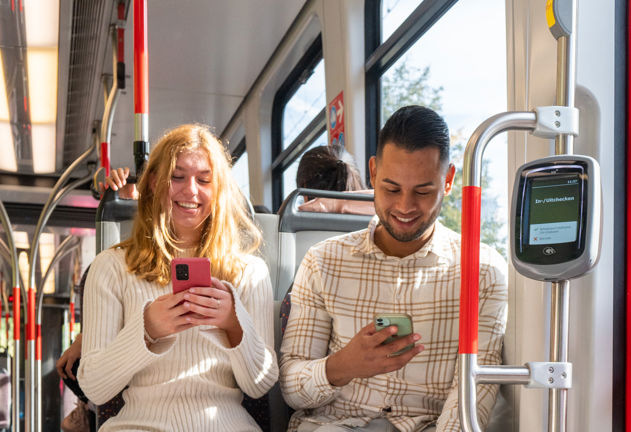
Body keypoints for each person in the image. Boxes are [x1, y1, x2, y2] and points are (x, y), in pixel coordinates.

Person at [279, 105, 508, 431]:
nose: (404, 207)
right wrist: (342, 366)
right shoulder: (322, 261)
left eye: (423, 191)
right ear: (373, 173)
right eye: (391, 189)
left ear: (448, 181)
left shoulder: (482, 271)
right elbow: (290, 389)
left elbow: (469, 402)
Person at [77, 124, 278, 431]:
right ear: (154, 182)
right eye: (177, 177)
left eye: (204, 180)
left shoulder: (249, 272)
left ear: (218, 190)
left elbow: (259, 385)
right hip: (138, 424)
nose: (191, 190)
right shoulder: (111, 267)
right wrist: (146, 330)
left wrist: (234, 324)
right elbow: (95, 387)